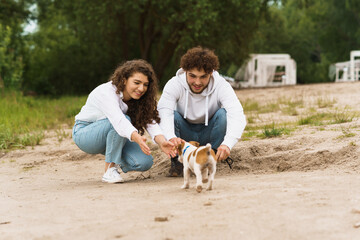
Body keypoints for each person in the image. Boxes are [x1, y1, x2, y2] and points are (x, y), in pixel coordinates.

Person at [72, 60, 176, 183]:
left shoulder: (137, 99)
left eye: (145, 84)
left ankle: (113, 154)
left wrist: (162, 141)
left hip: (113, 135)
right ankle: (110, 170)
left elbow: (149, 121)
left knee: (143, 162)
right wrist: (137, 137)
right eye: (137, 83)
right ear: (124, 79)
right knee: (124, 120)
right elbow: (119, 121)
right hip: (85, 134)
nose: (141, 88)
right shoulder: (106, 92)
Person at [157, 46, 246, 177]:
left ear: (211, 73)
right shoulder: (174, 84)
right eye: (192, 76)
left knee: (223, 115)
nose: (197, 82)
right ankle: (178, 162)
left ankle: (209, 159)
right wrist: (171, 137)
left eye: (203, 77)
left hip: (209, 132)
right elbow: (163, 112)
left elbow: (237, 113)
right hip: (183, 136)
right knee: (173, 116)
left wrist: (227, 144)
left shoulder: (222, 85)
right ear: (185, 71)